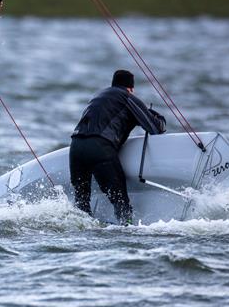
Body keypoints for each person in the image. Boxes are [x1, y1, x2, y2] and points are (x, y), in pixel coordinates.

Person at [70, 69, 166, 224]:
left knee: (82, 202)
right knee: (120, 201)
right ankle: (126, 230)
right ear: (130, 88)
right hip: (99, 147)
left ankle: (83, 233)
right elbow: (155, 129)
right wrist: (157, 116)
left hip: (75, 147)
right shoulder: (128, 97)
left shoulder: (98, 96)